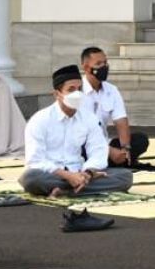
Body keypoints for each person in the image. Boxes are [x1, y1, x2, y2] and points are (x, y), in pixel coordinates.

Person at [20, 65, 134, 196]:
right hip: (52, 174)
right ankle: (76, 189)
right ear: (57, 94)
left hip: (80, 171)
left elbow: (99, 150)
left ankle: (65, 191)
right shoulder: (40, 120)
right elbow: (35, 161)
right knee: (30, 178)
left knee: (125, 177)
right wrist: (68, 176)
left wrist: (88, 173)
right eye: (71, 89)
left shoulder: (88, 118)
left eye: (80, 89)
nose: (77, 94)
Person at [79, 46, 149, 167]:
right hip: (84, 144)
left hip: (105, 142)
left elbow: (121, 121)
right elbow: (80, 133)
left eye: (105, 63)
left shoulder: (111, 90)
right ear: (86, 68)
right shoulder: (77, 92)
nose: (104, 67)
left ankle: (119, 160)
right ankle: (109, 161)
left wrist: (125, 148)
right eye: (99, 64)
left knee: (140, 140)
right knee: (82, 151)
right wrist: (109, 152)